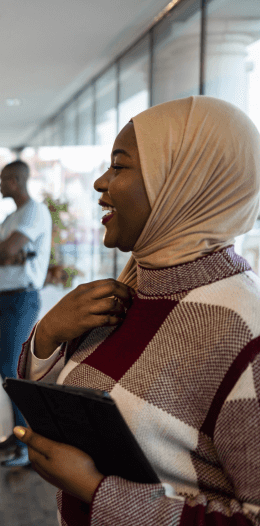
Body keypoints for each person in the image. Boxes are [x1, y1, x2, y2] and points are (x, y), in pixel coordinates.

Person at [13, 96, 260, 525]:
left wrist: (95, 490)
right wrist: (48, 335)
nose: (100, 182)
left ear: (182, 181)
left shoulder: (243, 333)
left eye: (120, 166)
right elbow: (73, 406)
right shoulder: (133, 287)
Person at [0, 160, 52, 467]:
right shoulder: (11, 217)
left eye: (1, 179)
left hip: (21, 298)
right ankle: (18, 433)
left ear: (15, 180)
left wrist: (6, 254)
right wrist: (5, 254)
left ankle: (28, 445)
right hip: (0, 298)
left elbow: (5, 252)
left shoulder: (34, 211)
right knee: (7, 367)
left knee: (11, 368)